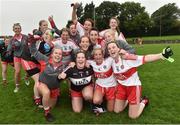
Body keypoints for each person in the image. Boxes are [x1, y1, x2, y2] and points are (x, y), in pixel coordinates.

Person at [106, 41, 174, 119]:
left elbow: (145, 58)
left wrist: (161, 55)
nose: (111, 49)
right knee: (117, 111)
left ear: (118, 49)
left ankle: (144, 101)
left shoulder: (128, 58)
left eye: (113, 47)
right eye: (109, 48)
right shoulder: (110, 61)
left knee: (133, 116)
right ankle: (128, 100)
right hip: (121, 87)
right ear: (108, 52)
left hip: (133, 87)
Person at [29, 35, 64, 122]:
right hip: (43, 84)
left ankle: (44, 101)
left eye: (60, 54)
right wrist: (33, 41)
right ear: (52, 54)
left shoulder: (63, 66)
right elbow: (34, 51)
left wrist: (63, 76)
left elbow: (64, 76)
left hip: (54, 88)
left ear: (62, 56)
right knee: (46, 93)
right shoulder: (45, 59)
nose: (58, 55)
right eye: (56, 53)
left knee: (52, 106)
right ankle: (47, 113)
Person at [87, 48, 117, 113]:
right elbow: (81, 60)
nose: (98, 56)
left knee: (110, 110)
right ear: (93, 56)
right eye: (96, 55)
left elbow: (117, 55)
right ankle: (100, 104)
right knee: (96, 100)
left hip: (111, 86)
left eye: (100, 54)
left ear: (103, 55)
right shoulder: (92, 63)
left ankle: (125, 100)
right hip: (100, 86)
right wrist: (72, 63)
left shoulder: (109, 60)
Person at [6, 23, 30, 92]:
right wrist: (9, 51)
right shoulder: (12, 40)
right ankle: (17, 86)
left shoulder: (25, 37)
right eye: (15, 28)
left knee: (28, 71)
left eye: (18, 28)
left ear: (21, 29)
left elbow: (31, 44)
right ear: (13, 30)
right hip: (17, 57)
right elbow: (9, 49)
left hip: (26, 56)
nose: (17, 29)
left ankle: (26, 78)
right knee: (17, 72)